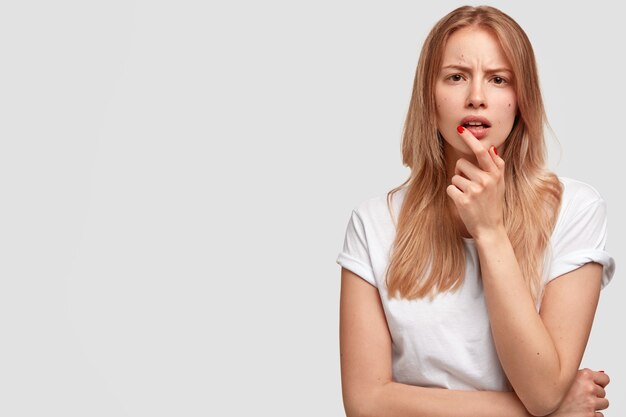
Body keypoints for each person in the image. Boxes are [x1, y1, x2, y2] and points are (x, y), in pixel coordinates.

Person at [336, 5, 615, 417]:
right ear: (429, 98)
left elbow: (541, 390)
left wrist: (490, 230)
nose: (477, 97)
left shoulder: (574, 209)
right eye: (456, 77)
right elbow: (366, 402)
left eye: (499, 79)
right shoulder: (374, 222)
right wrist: (550, 413)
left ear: (521, 100)